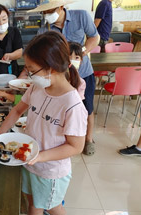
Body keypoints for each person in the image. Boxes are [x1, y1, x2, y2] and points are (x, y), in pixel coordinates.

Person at [0, 31, 87, 215]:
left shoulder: (72, 105)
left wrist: (40, 157)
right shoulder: (38, 88)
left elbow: (76, 147)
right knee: (32, 201)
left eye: (32, 71)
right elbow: (17, 110)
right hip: (29, 162)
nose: (30, 76)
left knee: (51, 206)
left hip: (50, 171)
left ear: (52, 68)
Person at [29, 0, 100, 156]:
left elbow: (94, 37)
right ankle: (64, 140)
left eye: (50, 11)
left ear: (61, 7)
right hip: (60, 78)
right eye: (44, 12)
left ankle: (88, 139)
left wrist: (82, 52)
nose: (47, 15)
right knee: (64, 110)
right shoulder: (44, 31)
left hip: (83, 72)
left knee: (86, 107)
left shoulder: (81, 16)